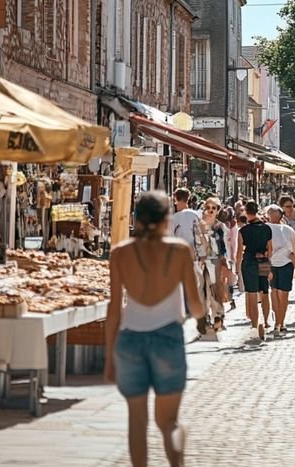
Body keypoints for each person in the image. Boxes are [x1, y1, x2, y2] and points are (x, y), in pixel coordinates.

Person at [104, 192, 203, 467]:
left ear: (136, 219)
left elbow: (113, 311)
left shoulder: (120, 252)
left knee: (137, 421)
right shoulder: (180, 251)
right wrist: (203, 316)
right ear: (166, 219)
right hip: (167, 337)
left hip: (130, 339)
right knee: (169, 422)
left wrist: (109, 357)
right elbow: (195, 304)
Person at [235, 201, 273, 341]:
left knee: (251, 294)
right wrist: (266, 258)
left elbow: (239, 251)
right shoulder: (266, 228)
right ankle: (267, 320)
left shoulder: (243, 231)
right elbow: (271, 248)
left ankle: (255, 324)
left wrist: (237, 266)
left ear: (246, 212)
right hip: (263, 261)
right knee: (264, 292)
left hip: (249, 263)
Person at [265, 205, 295, 336]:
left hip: (283, 264)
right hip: (273, 264)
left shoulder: (287, 229)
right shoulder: (284, 229)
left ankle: (280, 322)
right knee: (276, 293)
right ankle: (279, 322)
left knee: (279, 294)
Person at [198, 197, 228, 331]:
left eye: (213, 208)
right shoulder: (199, 225)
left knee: (215, 289)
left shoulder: (220, 226)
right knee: (203, 290)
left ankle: (218, 316)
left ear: (218, 210)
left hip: (215, 260)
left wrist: (225, 261)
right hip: (200, 261)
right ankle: (205, 317)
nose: (210, 211)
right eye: (208, 208)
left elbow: (224, 245)